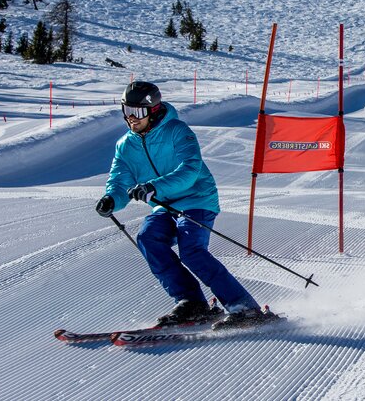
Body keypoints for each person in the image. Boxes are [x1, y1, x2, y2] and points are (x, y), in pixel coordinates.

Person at [95, 81, 262, 326]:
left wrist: (154, 187)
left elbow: (190, 169)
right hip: (163, 205)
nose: (131, 118)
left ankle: (244, 308)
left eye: (138, 112)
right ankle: (191, 302)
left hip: (197, 198)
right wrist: (112, 198)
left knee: (192, 250)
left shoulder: (177, 130)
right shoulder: (125, 145)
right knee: (148, 238)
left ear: (153, 110)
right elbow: (119, 179)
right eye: (126, 111)